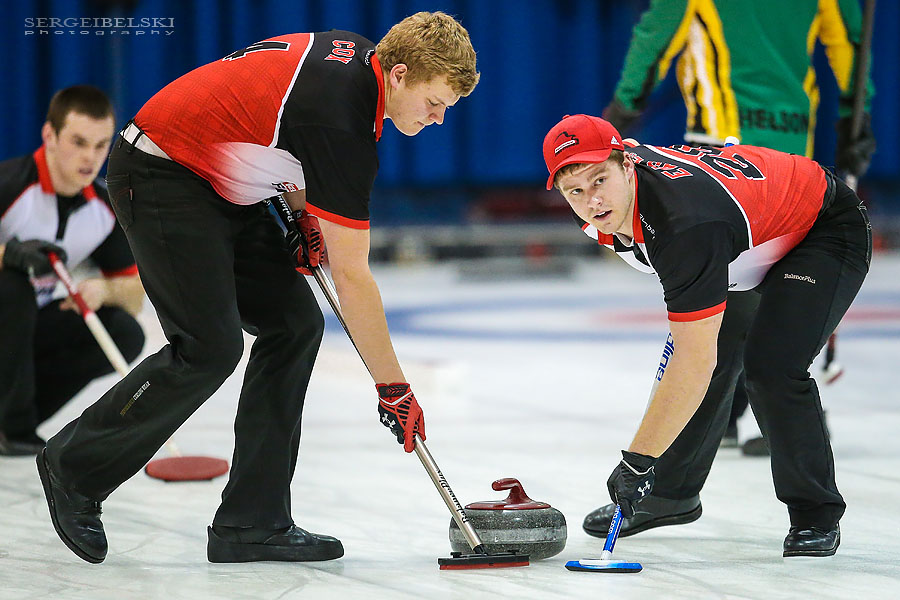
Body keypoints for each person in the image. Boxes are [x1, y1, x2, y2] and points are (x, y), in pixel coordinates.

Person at [36, 12, 479, 565]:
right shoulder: (341, 120)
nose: (438, 118)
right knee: (208, 348)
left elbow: (279, 128)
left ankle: (252, 520)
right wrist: (394, 387)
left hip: (226, 185)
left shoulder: (358, 59)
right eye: (434, 102)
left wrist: (302, 217)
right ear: (399, 74)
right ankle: (73, 466)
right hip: (162, 172)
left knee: (294, 325)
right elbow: (352, 278)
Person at [543, 114, 870, 556]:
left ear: (626, 164)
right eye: (575, 192)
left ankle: (815, 514)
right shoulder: (611, 207)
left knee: (771, 368)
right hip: (743, 239)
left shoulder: (684, 227)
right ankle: (670, 495)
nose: (592, 201)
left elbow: (691, 363)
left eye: (599, 179)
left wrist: (637, 461)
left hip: (821, 227)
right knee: (705, 354)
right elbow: (694, 358)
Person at [602, 1, 876, 456]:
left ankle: (726, 418)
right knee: (784, 278)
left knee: (715, 289)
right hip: (789, 147)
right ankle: (751, 410)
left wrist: (621, 111)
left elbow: (657, 35)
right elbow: (849, 46)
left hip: (721, 150)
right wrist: (857, 118)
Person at [0, 85, 145, 456]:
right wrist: (9, 254)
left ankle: (17, 417)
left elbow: (133, 296)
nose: (90, 158)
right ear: (49, 135)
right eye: (78, 142)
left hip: (22, 333)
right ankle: (12, 427)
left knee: (124, 332)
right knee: (13, 285)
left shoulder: (102, 210)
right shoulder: (10, 185)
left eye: (100, 146)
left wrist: (102, 291)